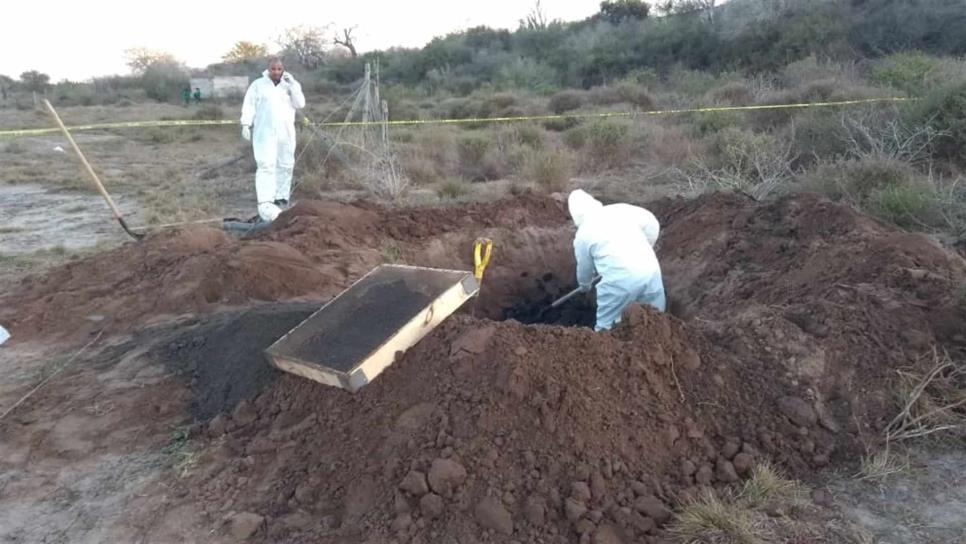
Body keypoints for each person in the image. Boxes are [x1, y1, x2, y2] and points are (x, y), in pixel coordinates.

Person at [568, 189, 666, 331]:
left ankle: (606, 351)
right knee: (656, 319)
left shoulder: (583, 235)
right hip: (650, 271)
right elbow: (652, 223)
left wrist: (584, 285)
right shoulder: (620, 210)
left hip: (619, 282)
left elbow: (585, 268)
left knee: (606, 329)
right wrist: (647, 245)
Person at [240, 57, 306, 222]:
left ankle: (281, 198)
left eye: (279, 69)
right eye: (273, 69)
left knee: (285, 164)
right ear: (268, 69)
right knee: (266, 165)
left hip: (286, 132)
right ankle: (265, 202)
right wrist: (245, 124)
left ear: (283, 69)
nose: (276, 72)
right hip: (265, 132)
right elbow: (249, 105)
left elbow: (300, 104)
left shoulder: (289, 85)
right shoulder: (258, 85)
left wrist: (294, 86)